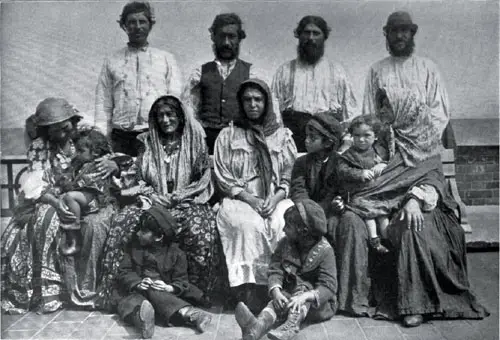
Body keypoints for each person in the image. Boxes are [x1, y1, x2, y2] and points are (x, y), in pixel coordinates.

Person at [331, 86, 489, 326]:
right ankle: (358, 299)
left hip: (425, 204)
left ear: (404, 108)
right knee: (356, 222)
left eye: (387, 105)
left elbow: (434, 178)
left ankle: (416, 305)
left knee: (412, 226)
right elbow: (364, 170)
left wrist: (415, 199)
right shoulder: (383, 136)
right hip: (381, 203)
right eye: (381, 105)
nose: (382, 110)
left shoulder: (425, 138)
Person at [99, 95, 224, 310]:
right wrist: (152, 194)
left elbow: (203, 177)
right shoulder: (145, 143)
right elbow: (138, 177)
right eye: (160, 116)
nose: (165, 120)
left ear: (180, 117)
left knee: (202, 229)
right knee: (123, 223)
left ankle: (194, 294)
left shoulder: (195, 142)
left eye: (170, 114)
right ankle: (119, 292)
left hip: (187, 201)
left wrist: (180, 195)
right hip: (152, 201)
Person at [1, 98, 120, 314]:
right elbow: (38, 184)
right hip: (54, 197)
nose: (63, 135)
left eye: (65, 128)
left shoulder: (86, 136)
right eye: (55, 131)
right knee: (40, 222)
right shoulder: (40, 147)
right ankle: (46, 291)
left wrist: (113, 165)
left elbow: (107, 159)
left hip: (92, 195)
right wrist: (56, 201)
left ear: (73, 121)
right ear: (46, 130)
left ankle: (82, 290)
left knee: (87, 224)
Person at [214, 79, 297, 312]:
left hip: (274, 196)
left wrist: (277, 197)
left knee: (284, 221)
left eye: (258, 99)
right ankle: (251, 294)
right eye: (247, 100)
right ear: (241, 103)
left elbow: (289, 171)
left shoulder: (282, 135)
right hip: (242, 197)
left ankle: (282, 287)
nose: (253, 104)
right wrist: (251, 199)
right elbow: (223, 175)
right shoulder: (228, 135)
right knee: (246, 225)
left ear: (267, 102)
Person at [234, 199, 337, 340]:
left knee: (303, 288)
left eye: (288, 226)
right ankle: (257, 327)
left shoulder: (325, 251)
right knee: (276, 302)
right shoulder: (285, 244)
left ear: (303, 231)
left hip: (315, 305)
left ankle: (291, 326)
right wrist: (276, 291)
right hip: (289, 295)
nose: (283, 230)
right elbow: (275, 269)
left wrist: (305, 297)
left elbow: (328, 286)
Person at [95, 1, 182, 156]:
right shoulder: (112, 60)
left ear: (150, 25)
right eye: (131, 22)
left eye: (142, 21)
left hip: (155, 134)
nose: (137, 26)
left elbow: (174, 100)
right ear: (124, 26)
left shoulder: (165, 59)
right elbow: (104, 103)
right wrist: (101, 137)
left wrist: (171, 135)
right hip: (120, 137)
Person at [362, 11, 455, 149]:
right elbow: (370, 111)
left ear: (412, 34)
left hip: (423, 142)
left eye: (404, 30)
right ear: (387, 35)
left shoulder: (428, 67)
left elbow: (439, 110)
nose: (399, 36)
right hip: (388, 143)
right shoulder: (376, 70)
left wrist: (420, 138)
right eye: (394, 31)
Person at [116, 206, 212, 339]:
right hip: (138, 293)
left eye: (143, 232)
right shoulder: (134, 249)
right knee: (129, 304)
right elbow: (124, 271)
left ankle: (192, 314)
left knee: (155, 292)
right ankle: (144, 321)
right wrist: (137, 283)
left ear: (159, 237)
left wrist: (170, 287)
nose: (138, 234)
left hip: (164, 295)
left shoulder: (176, 254)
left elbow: (182, 281)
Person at [182, 13, 266, 154]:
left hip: (240, 142)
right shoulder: (199, 73)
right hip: (205, 141)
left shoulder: (252, 73)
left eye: (232, 37)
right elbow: (188, 110)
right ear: (213, 37)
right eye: (222, 36)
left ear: (239, 39)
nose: (226, 43)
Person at [272, 15, 358, 152]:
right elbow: (274, 111)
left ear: (324, 37)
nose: (311, 38)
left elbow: (350, 111)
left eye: (316, 33)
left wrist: (346, 143)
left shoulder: (337, 71)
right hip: (294, 143)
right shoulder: (285, 71)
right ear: (298, 36)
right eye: (306, 33)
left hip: (329, 143)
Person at [57, 128, 116, 256]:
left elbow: (87, 182)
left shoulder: (100, 163)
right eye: (77, 150)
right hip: (86, 192)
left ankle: (74, 234)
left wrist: (71, 185)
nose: (77, 154)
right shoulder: (80, 162)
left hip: (95, 196)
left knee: (69, 197)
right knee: (64, 198)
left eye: (81, 151)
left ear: (95, 152)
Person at [336, 115, 390, 254]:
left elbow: (390, 165)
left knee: (383, 216)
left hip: (377, 192)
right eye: (357, 135)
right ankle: (375, 240)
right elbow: (342, 171)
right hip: (358, 193)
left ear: (376, 136)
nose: (361, 139)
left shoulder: (379, 152)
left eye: (367, 135)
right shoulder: (348, 155)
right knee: (370, 214)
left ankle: (389, 240)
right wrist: (360, 174)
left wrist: (383, 165)